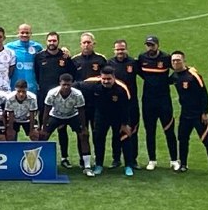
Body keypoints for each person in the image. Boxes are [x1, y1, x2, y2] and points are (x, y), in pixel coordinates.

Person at [75, 67, 135, 176]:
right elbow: (77, 85)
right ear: (100, 77)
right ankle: (99, 165)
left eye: (109, 79)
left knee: (125, 140)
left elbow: (126, 107)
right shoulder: (93, 85)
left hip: (119, 117)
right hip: (101, 117)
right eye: (104, 79)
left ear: (114, 78)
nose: (106, 81)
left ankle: (128, 166)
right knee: (98, 140)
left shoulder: (121, 89)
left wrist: (125, 124)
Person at [170, 50, 208, 174]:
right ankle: (184, 165)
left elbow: (204, 93)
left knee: (207, 141)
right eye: (173, 60)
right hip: (185, 114)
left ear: (184, 61)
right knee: (182, 139)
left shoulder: (193, 75)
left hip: (199, 114)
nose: (176, 62)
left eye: (178, 60)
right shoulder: (174, 76)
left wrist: (205, 112)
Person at [34, 31, 76, 167]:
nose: (52, 43)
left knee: (62, 128)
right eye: (50, 41)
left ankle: (64, 157)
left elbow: (72, 75)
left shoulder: (65, 57)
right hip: (44, 97)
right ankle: (40, 157)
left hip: (61, 98)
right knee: (43, 126)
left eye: (54, 41)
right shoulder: (39, 57)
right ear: (46, 42)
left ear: (58, 42)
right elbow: (36, 73)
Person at [138, 35, 180, 171]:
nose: (150, 47)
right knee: (150, 131)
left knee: (169, 130)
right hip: (148, 101)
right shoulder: (142, 58)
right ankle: (152, 160)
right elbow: (139, 72)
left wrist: (168, 81)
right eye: (148, 45)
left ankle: (174, 159)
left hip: (164, 101)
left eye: (152, 45)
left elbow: (179, 71)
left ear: (157, 45)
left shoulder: (166, 58)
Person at [40, 74, 94, 176]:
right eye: (64, 84)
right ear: (60, 83)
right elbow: (46, 110)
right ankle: (41, 163)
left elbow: (81, 111)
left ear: (71, 84)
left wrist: (83, 128)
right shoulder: (52, 93)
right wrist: (44, 127)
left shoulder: (77, 94)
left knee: (84, 137)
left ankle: (87, 166)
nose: (66, 87)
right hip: (56, 115)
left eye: (68, 85)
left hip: (72, 115)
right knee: (43, 136)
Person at [107, 39, 140, 168]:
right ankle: (116, 159)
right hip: (115, 105)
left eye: (122, 49)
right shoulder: (109, 63)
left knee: (133, 132)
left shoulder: (133, 63)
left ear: (126, 49)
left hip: (131, 104)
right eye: (118, 49)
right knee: (116, 132)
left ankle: (133, 160)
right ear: (114, 50)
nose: (120, 51)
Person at [6, 24, 43, 94]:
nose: (24, 35)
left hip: (32, 85)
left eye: (27, 33)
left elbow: (47, 53)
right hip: (15, 85)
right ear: (18, 33)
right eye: (22, 33)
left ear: (31, 34)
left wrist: (63, 50)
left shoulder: (37, 47)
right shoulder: (9, 47)